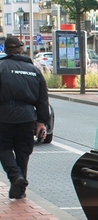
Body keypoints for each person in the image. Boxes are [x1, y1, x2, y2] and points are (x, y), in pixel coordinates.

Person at [0, 36, 50, 199]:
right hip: (28, 116)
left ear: (6, 50)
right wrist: (42, 122)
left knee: (3, 148)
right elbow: (43, 99)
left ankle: (16, 177)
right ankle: (20, 190)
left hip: (5, 115)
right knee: (23, 152)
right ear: (21, 49)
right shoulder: (34, 70)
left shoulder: (1, 67)